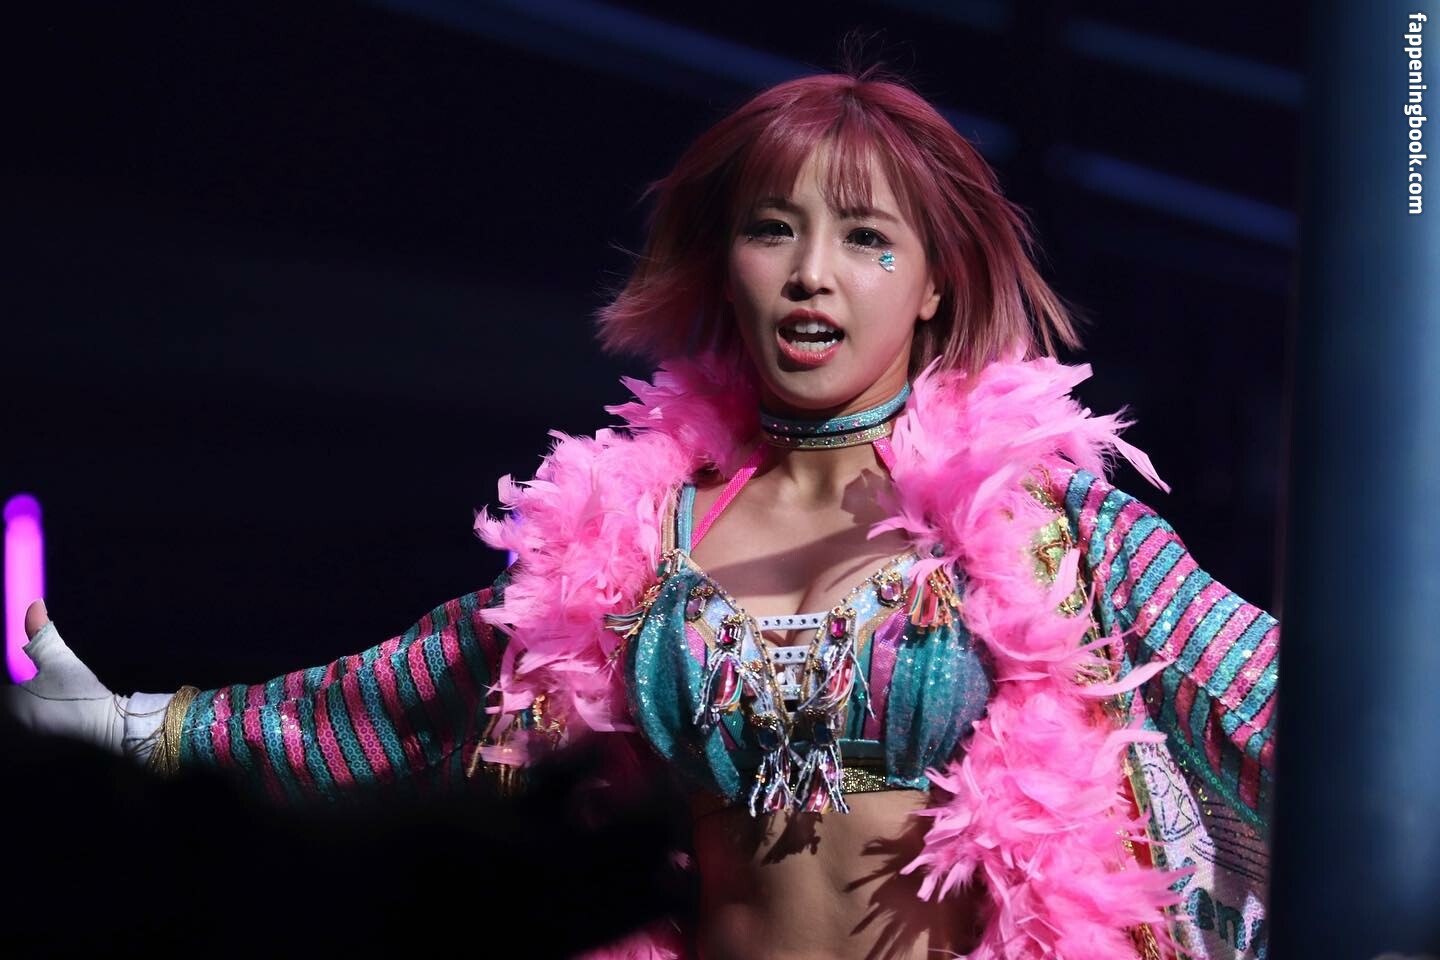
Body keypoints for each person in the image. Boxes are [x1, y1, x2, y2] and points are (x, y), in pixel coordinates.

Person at [4, 67, 1279, 960]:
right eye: (773, 230)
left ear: (937, 285)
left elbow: (1279, 708)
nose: (812, 274)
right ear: (728, 263)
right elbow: (395, 705)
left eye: (866, 239)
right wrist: (130, 726)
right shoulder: (626, 538)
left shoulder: (1049, 528)